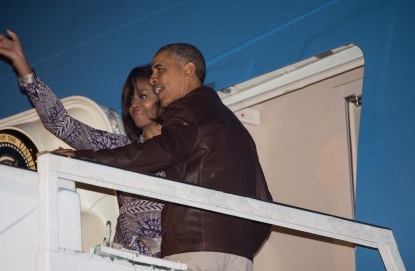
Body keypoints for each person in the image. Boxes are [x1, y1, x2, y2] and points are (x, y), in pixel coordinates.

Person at [60, 43, 273, 270]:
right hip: (240, 258)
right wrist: (241, 247)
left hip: (193, 248)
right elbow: (264, 203)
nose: (153, 78)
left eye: (159, 69)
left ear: (188, 70)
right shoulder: (238, 128)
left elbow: (160, 151)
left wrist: (86, 159)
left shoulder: (186, 107)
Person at [0, 27, 164, 257]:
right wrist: (22, 65)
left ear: (164, 97)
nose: (133, 104)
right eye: (131, 98)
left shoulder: (187, 146)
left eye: (143, 96)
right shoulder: (120, 147)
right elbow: (60, 122)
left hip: (172, 256)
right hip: (125, 256)